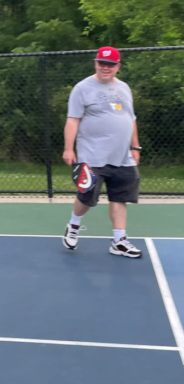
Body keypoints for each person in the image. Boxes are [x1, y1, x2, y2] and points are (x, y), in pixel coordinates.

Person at [61, 47, 143, 259]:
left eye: (110, 64)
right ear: (96, 63)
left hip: (122, 156)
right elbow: (72, 120)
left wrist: (135, 146)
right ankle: (73, 225)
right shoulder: (82, 88)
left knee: (120, 197)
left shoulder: (124, 88)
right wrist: (69, 148)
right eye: (102, 63)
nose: (105, 67)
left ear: (118, 66)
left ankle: (119, 241)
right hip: (92, 154)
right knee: (87, 195)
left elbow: (130, 118)